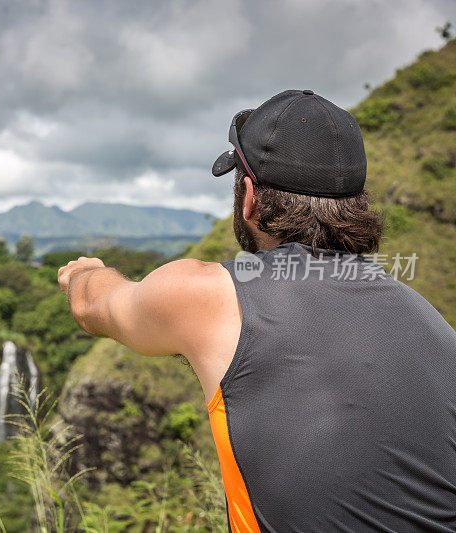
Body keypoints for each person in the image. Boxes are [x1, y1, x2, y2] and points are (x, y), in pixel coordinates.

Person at [57, 90, 456, 532]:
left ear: (249, 197)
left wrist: (84, 271)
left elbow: (93, 305)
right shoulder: (434, 324)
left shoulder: (212, 296)